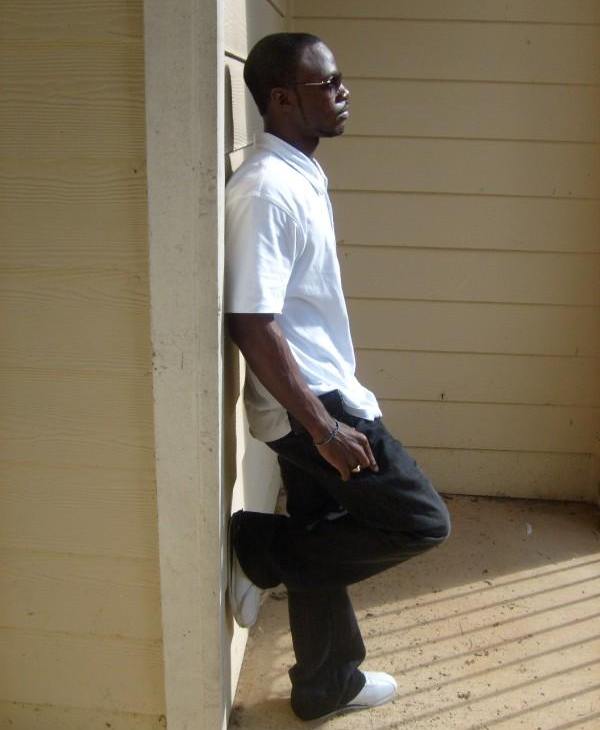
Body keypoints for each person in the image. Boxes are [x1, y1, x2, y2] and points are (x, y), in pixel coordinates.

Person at [225, 32, 451, 722]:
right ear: (281, 98)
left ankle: (327, 683)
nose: (343, 92)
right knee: (421, 521)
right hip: (312, 404)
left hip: (321, 391)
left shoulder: (298, 173)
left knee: (324, 527)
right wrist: (325, 429)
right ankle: (259, 549)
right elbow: (252, 322)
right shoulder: (267, 190)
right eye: (327, 83)